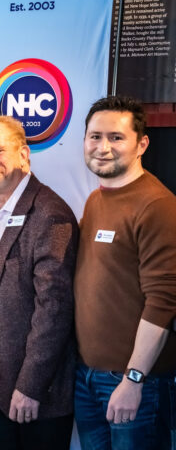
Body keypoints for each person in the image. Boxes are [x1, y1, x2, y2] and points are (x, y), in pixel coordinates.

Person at [0, 116, 78, 449]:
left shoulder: (48, 212)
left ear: (24, 155)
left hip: (35, 394)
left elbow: (54, 311)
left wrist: (30, 386)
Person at [74, 95, 176, 449]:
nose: (103, 147)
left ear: (141, 143)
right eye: (95, 136)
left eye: (116, 138)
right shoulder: (96, 199)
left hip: (134, 384)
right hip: (87, 376)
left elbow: (163, 302)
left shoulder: (157, 205)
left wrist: (134, 379)